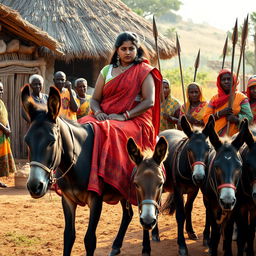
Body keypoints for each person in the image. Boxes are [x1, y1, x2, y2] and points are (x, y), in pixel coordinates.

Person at [78, 31, 162, 205]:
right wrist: (98, 112)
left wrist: (124, 116)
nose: (128, 52)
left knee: (108, 128)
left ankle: (112, 178)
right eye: (123, 49)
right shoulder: (107, 70)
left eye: (131, 48)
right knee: (84, 124)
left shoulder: (144, 71)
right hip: (107, 115)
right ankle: (82, 174)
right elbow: (94, 99)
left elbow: (149, 101)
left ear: (137, 49)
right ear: (117, 50)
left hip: (136, 119)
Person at [204, 69, 253, 136]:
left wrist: (236, 119)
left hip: (235, 138)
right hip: (215, 137)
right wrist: (219, 114)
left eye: (229, 79)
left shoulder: (241, 98)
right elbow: (206, 118)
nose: (226, 81)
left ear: (234, 81)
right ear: (219, 82)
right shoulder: (214, 99)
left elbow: (249, 117)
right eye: (223, 79)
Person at [0, 82, 16, 187]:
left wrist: (8, 128)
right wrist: (5, 129)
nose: (0, 92)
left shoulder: (1, 103)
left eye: (1, 89)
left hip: (2, 136)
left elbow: (6, 117)